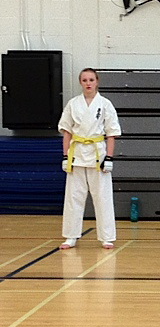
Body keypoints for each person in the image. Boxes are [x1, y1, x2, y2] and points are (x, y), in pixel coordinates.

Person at [58, 68, 121, 249]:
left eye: (91, 80)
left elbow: (111, 133)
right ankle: (71, 236)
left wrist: (109, 158)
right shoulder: (73, 104)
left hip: (97, 155)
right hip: (77, 155)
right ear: (80, 82)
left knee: (102, 197)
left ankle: (106, 237)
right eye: (84, 80)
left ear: (97, 81)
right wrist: (65, 156)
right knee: (73, 197)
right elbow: (67, 132)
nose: (88, 83)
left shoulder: (105, 104)